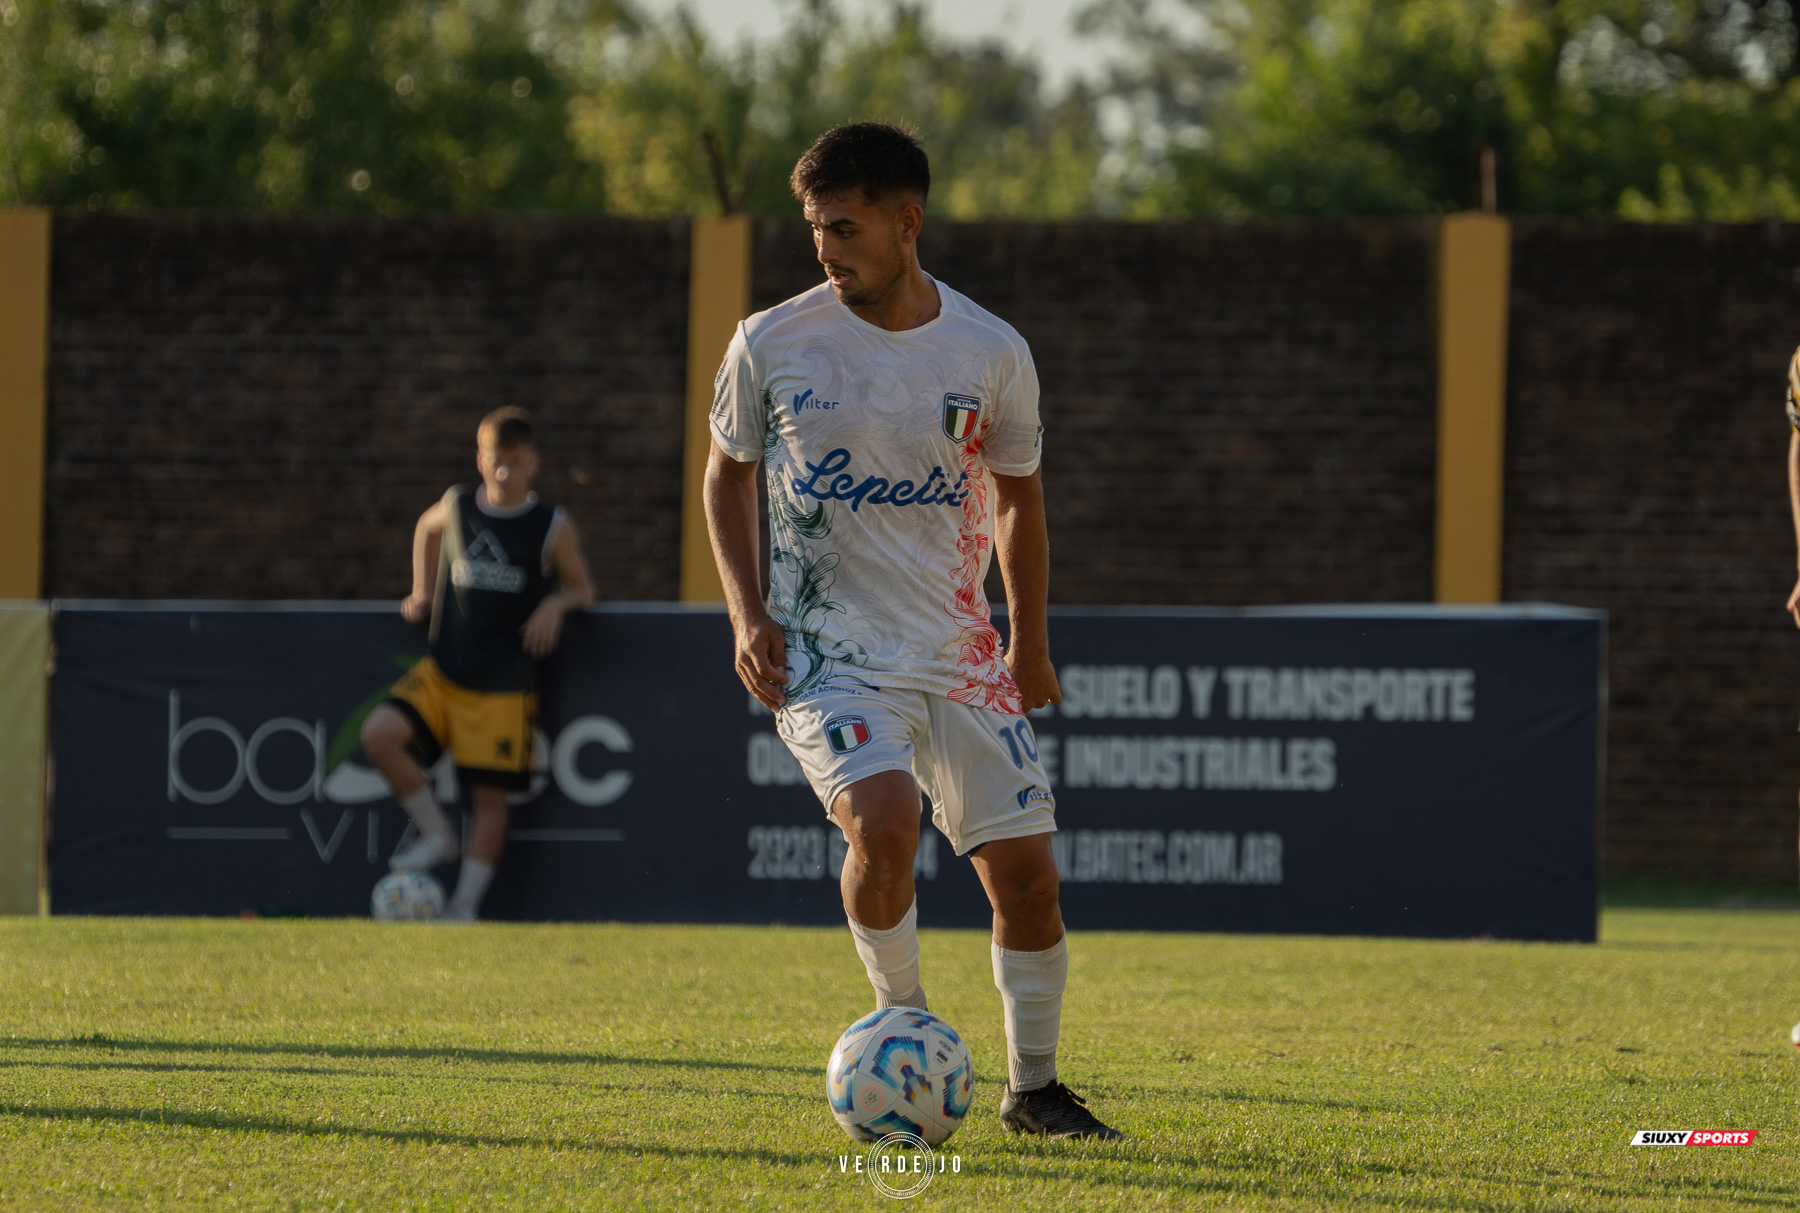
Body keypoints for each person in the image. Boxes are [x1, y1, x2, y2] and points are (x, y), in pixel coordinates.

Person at [704, 122, 1121, 1139]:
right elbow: (728, 476)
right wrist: (747, 614)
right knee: (881, 823)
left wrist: (1027, 640)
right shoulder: (772, 342)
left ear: (907, 222)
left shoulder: (990, 351)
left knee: (1029, 881)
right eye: (814, 229)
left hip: (961, 653)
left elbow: (1020, 500)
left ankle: (1037, 1089)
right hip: (829, 652)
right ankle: (905, 1025)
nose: (825, 249)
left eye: (843, 228)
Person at [361, 407, 594, 921]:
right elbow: (426, 530)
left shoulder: (550, 525)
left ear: (533, 462)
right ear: (480, 460)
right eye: (496, 461)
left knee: (490, 799)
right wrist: (422, 591)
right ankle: (438, 835)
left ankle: (464, 908)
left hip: (503, 683)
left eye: (515, 462)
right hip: (443, 671)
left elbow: (582, 587)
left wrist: (554, 604)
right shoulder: (459, 504)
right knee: (379, 734)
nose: (505, 473)